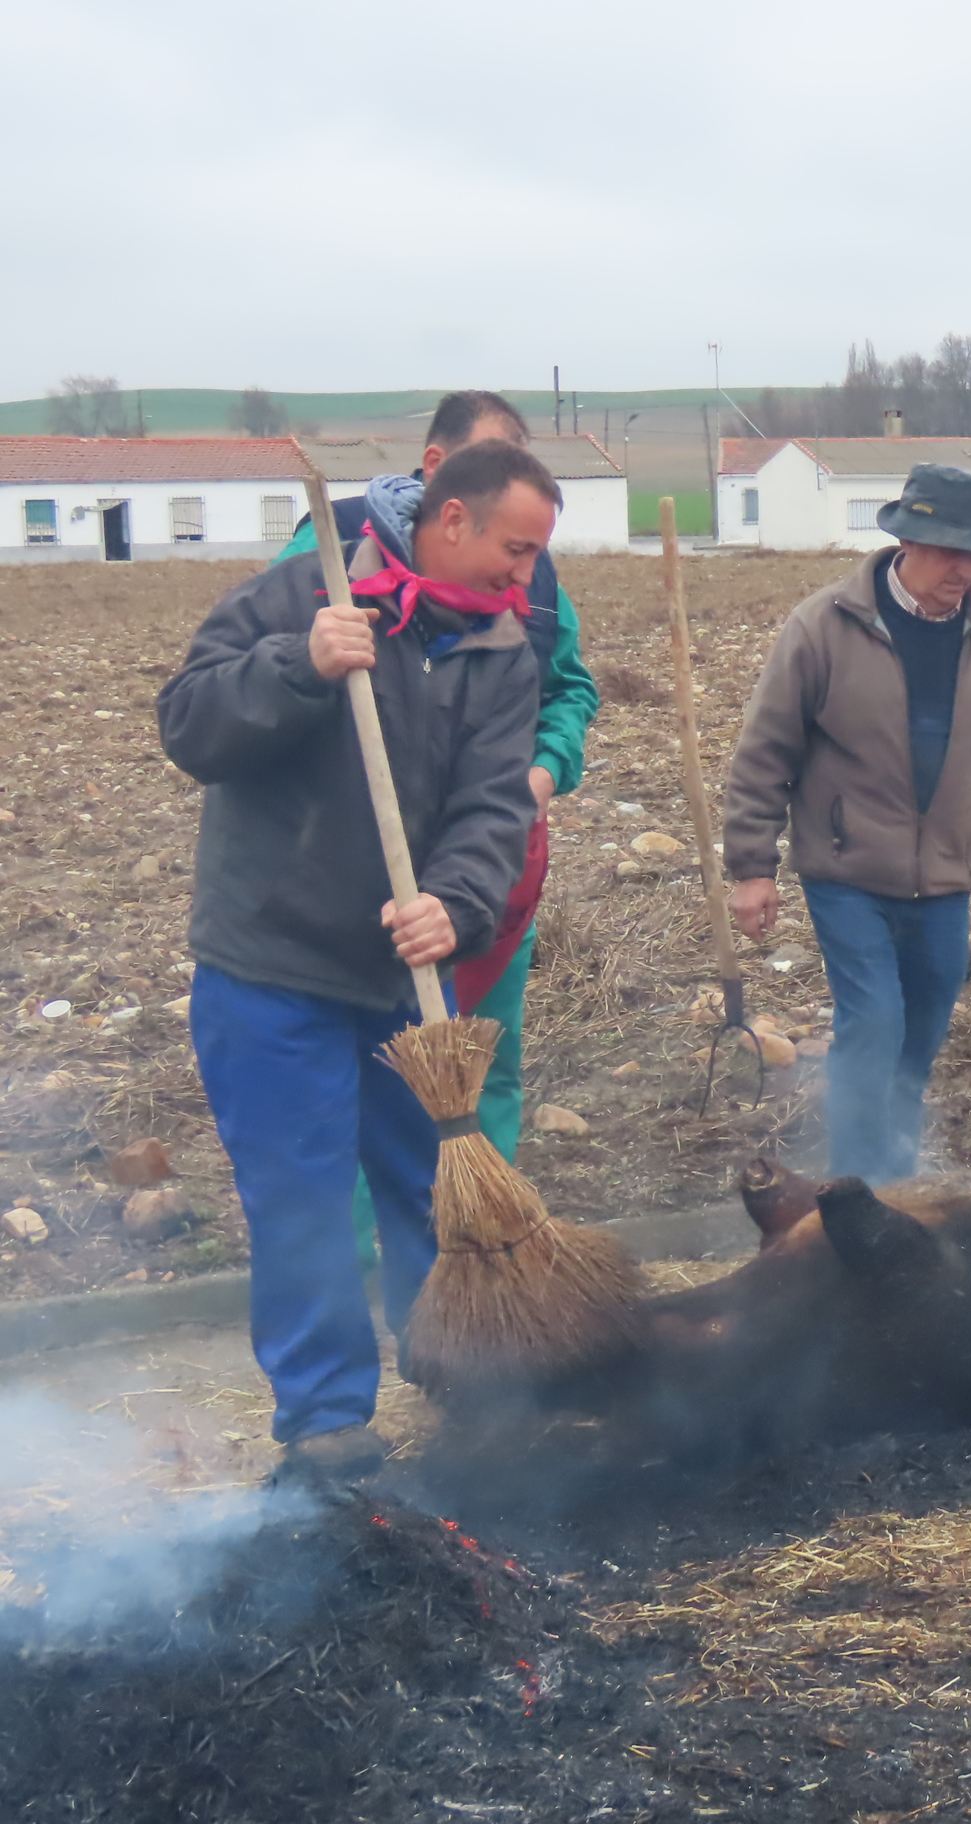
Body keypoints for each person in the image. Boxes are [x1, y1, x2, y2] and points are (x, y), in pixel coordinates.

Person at [159, 442, 559, 1478]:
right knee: (300, 1203)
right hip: (269, 964)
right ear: (454, 518)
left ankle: (466, 1375)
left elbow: (491, 806)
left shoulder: (503, 648)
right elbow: (190, 726)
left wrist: (458, 905)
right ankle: (327, 1420)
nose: (522, 578)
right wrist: (300, 664)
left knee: (434, 1183)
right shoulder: (303, 594)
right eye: (513, 551)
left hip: (398, 978)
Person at [280, 392, 598, 1248]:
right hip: (365, 877)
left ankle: (478, 1255)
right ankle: (365, 1261)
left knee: (482, 1065)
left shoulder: (529, 576)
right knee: (371, 1079)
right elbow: (264, 686)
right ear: (438, 479)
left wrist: (541, 771)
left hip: (495, 864)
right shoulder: (327, 553)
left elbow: (569, 688)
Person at [723, 463, 971, 1186]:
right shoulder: (824, 626)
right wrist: (751, 866)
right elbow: (764, 751)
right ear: (908, 541)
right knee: (872, 1021)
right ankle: (859, 1190)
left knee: (924, 1025)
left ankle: (895, 1164)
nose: (966, 568)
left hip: (947, 876)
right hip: (846, 869)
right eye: (951, 550)